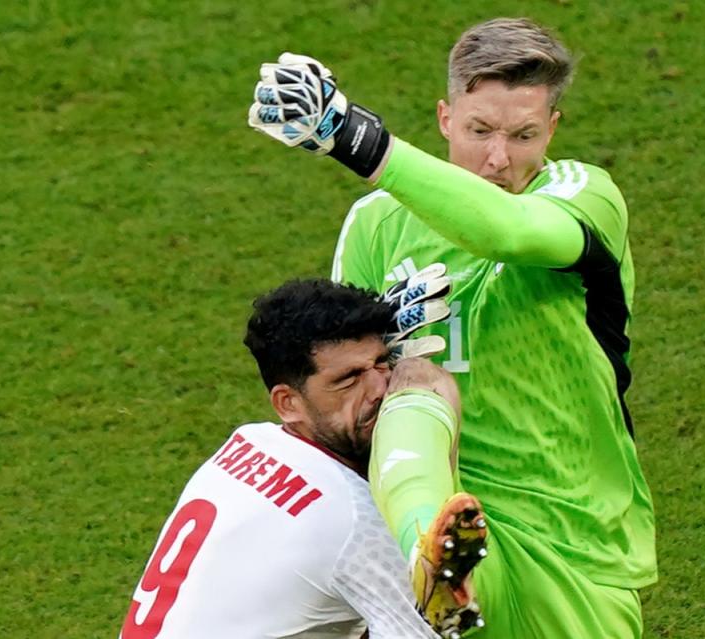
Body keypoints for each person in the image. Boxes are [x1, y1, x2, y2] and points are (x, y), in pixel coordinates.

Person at [248, 17, 657, 638]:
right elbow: (344, 397)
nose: (497, 159)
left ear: (552, 128)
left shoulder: (582, 194)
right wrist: (390, 353)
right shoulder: (377, 225)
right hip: (453, 545)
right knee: (411, 380)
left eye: (523, 135)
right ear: (445, 118)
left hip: (575, 544)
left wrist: (352, 137)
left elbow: (508, 231)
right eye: (479, 131)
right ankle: (431, 562)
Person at [119, 279, 447, 639]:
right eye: (349, 379)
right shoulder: (354, 520)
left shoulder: (248, 444)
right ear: (288, 403)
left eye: (382, 362)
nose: (380, 389)